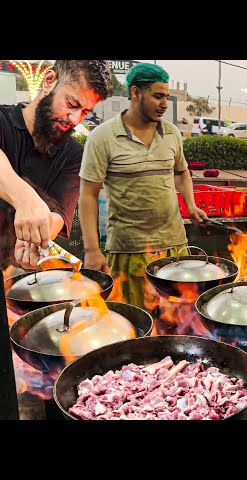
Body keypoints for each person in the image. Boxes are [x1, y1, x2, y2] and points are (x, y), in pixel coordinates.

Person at [78, 63, 207, 311]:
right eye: (157, 96)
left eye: (166, 97)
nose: (164, 104)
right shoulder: (102, 137)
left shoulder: (171, 133)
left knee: (177, 324)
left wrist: (190, 205)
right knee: (133, 324)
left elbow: (181, 172)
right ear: (136, 93)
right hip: (129, 250)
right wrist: (92, 249)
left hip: (174, 247)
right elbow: (88, 196)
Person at [0, 60, 112, 271]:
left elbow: (58, 216)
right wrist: (25, 198)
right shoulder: (3, 121)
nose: (75, 119)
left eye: (85, 112)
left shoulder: (73, 155)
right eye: (72, 104)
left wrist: (38, 237)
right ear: (49, 81)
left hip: (17, 279)